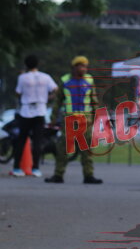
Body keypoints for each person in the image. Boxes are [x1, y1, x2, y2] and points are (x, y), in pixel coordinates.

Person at [45, 56, 103, 184]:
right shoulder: (65, 80)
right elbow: (58, 101)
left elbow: (94, 101)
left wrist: (96, 116)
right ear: (74, 67)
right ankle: (58, 175)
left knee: (86, 149)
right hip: (69, 119)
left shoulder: (89, 80)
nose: (84, 69)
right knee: (64, 148)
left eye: (86, 66)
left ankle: (88, 175)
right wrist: (53, 118)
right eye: (81, 66)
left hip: (85, 120)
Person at [12, 55, 57, 178]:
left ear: (26, 65)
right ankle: (35, 168)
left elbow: (17, 93)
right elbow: (55, 89)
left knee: (21, 140)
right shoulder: (45, 77)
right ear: (38, 64)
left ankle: (17, 168)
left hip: (26, 110)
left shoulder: (22, 77)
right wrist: (48, 97)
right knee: (37, 141)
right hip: (40, 109)